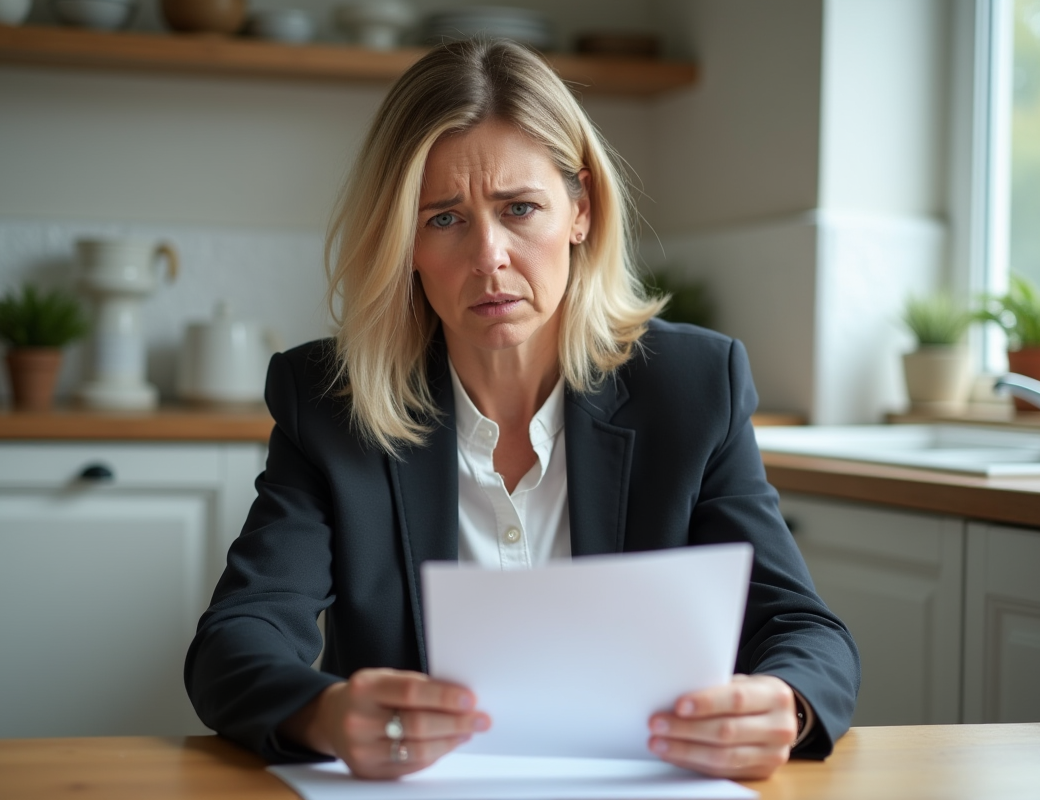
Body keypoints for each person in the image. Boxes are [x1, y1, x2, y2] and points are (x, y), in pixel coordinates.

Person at [185, 38, 859, 782]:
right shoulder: (330, 403)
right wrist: (325, 714)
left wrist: (782, 701)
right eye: (444, 218)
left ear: (580, 210)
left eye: (520, 209)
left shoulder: (695, 388)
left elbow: (804, 631)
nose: (489, 257)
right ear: (404, 239)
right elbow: (235, 640)